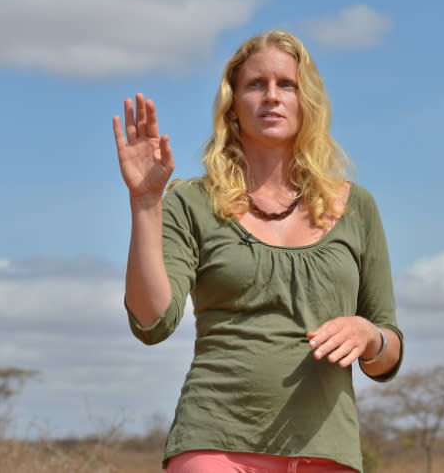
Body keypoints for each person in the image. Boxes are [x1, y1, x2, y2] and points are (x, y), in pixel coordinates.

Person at [112, 30, 403, 472]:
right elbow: (153, 321)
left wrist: (369, 336)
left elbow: (386, 352)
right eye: (255, 85)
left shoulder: (357, 207)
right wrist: (146, 203)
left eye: (286, 84)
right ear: (232, 106)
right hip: (214, 442)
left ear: (308, 101)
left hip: (325, 449)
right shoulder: (192, 201)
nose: (272, 96)